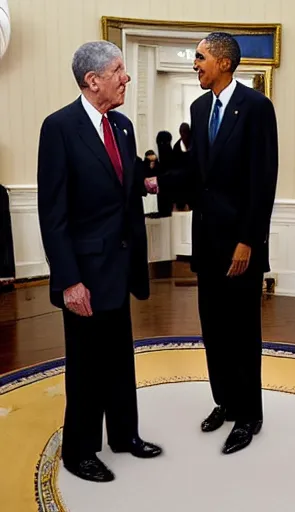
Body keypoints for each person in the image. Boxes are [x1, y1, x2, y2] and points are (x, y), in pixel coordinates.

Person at [148, 32, 278, 455]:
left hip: (240, 245)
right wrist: (153, 182)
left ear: (224, 61)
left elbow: (263, 181)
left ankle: (249, 414)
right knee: (214, 329)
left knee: (243, 331)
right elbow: (194, 173)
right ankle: (225, 400)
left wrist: (249, 242)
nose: (196, 64)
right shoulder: (200, 106)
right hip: (205, 242)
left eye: (201, 57)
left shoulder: (258, 109)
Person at [37, 41, 162, 483]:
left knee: (119, 358)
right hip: (85, 273)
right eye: (118, 70)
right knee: (87, 366)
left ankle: (125, 435)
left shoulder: (124, 126)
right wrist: (69, 280)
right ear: (93, 81)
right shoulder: (59, 128)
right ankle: (80, 451)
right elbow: (53, 215)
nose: (125, 77)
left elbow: (125, 193)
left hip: (121, 266)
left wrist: (153, 184)